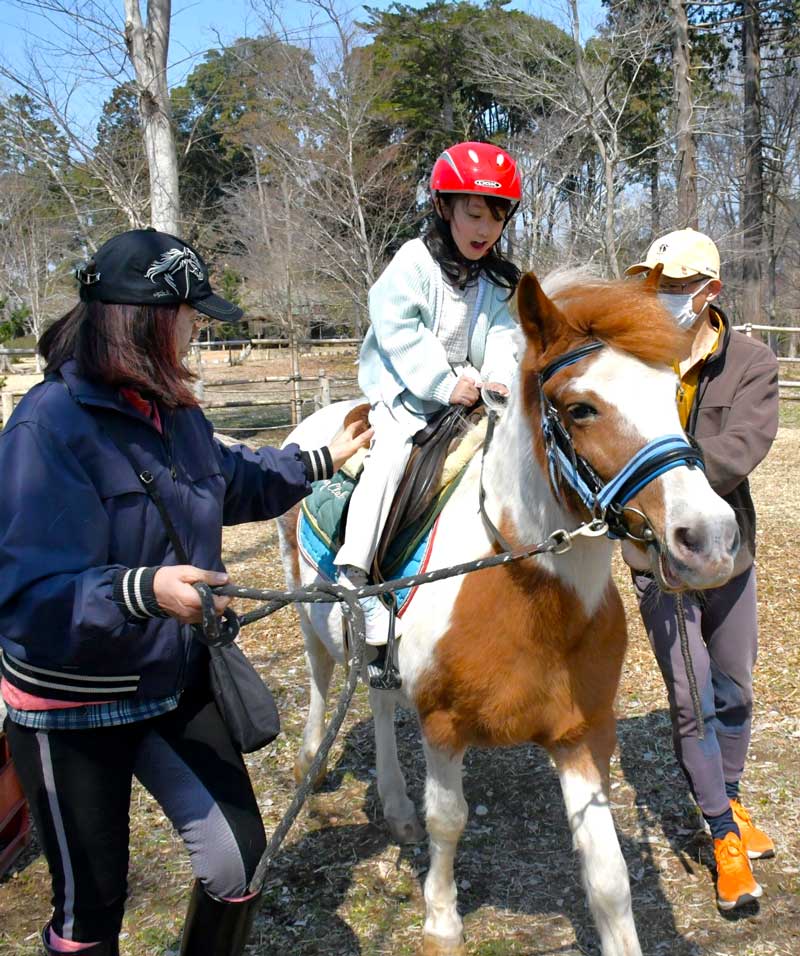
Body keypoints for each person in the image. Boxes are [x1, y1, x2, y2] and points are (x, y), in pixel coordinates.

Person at [0, 228, 371, 956]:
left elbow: (229, 481)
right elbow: (29, 597)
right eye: (191, 316)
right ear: (146, 321)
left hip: (169, 675)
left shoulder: (174, 411)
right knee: (91, 908)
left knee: (239, 862)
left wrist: (323, 459)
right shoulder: (45, 428)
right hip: (69, 703)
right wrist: (145, 590)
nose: (197, 330)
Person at [623, 228, 779, 912]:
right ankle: (721, 833)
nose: (660, 299)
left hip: (730, 549)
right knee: (691, 699)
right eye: (653, 286)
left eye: (674, 288)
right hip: (658, 556)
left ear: (709, 292)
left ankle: (734, 798)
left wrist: (665, 470)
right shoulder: (632, 361)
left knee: (734, 687)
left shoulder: (750, 362)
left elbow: (743, 447)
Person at [334, 141, 522, 679]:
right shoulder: (412, 262)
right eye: (474, 212)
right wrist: (443, 383)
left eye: (496, 216)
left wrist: (500, 380)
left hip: (471, 394)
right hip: (404, 390)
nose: (485, 227)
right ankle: (356, 578)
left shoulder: (498, 280)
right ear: (444, 207)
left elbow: (508, 337)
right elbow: (398, 331)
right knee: (391, 453)